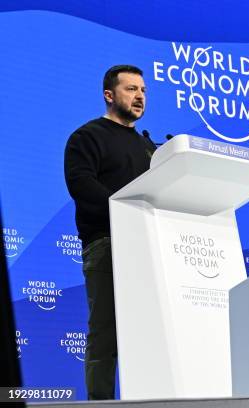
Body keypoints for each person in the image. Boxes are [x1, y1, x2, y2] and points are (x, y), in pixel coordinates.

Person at [64, 65, 156, 400]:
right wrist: (123, 211)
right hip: (107, 245)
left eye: (143, 90)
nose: (140, 96)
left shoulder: (151, 149)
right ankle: (100, 404)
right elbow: (81, 185)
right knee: (106, 332)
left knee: (152, 331)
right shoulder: (86, 137)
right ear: (109, 95)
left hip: (151, 248)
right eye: (131, 89)